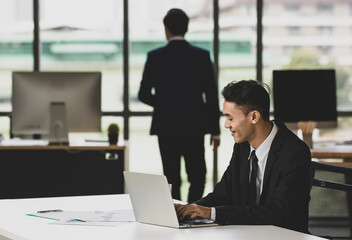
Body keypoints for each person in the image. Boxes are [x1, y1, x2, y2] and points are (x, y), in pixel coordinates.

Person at [175, 80, 311, 233]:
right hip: (248, 234)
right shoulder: (242, 146)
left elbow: (277, 213)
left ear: (254, 117)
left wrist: (211, 213)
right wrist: (188, 210)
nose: (226, 124)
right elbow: (222, 194)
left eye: (230, 118)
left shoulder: (295, 153)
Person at [138, 8, 221, 202]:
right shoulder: (201, 56)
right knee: (198, 176)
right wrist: (215, 131)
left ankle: (176, 214)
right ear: (187, 28)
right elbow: (211, 95)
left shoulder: (155, 56)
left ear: (166, 29)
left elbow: (143, 94)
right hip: (195, 126)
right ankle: (192, 210)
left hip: (166, 125)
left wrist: (164, 104)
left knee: (171, 177)